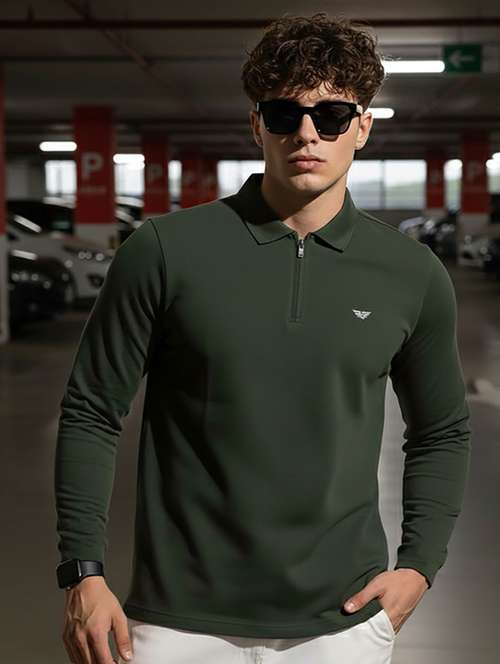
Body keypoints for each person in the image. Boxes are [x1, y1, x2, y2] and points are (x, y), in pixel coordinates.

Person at [54, 12, 472, 664]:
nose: (307, 133)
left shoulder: (411, 274)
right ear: (257, 125)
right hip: (176, 623)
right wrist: (83, 570)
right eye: (284, 114)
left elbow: (441, 430)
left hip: (341, 624)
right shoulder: (165, 251)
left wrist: (420, 565)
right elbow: (90, 411)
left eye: (331, 115)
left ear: (362, 127)